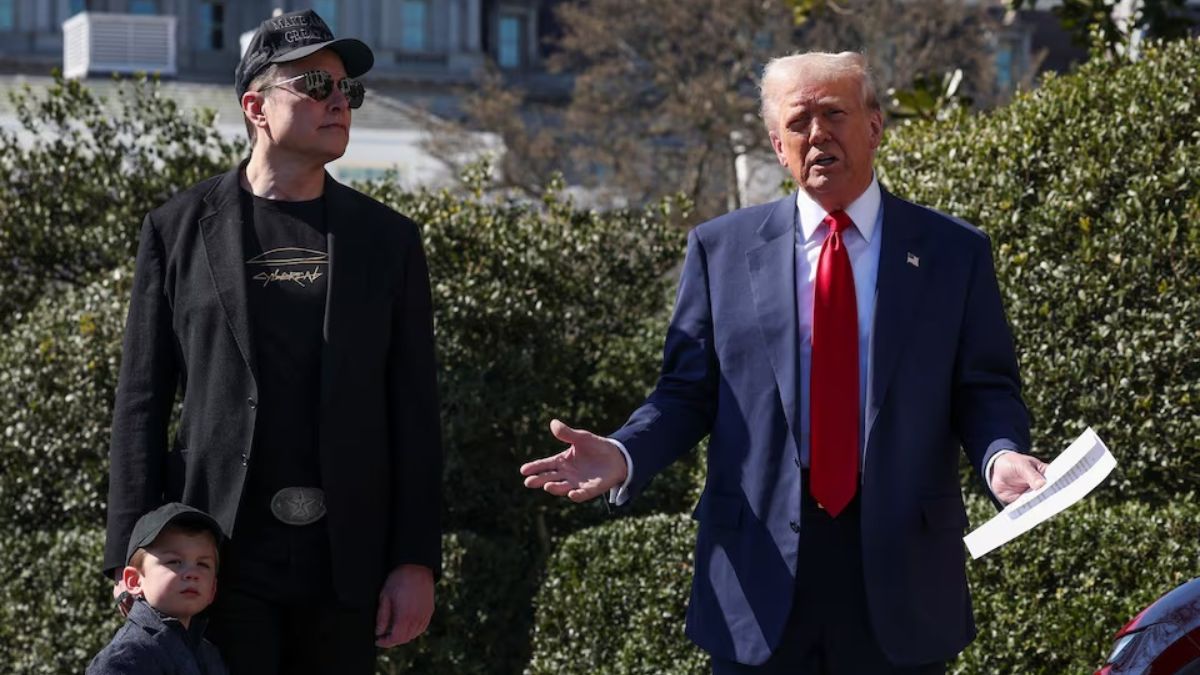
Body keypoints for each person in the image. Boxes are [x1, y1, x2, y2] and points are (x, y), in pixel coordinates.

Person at [520, 51, 1048, 674]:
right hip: (757, 577)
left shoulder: (952, 251)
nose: (818, 133)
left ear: (875, 125)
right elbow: (685, 393)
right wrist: (626, 452)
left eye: (835, 113)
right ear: (777, 144)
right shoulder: (720, 250)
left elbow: (982, 386)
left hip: (902, 575)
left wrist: (1000, 455)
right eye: (799, 122)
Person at [100, 9, 442, 673]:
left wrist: (415, 559)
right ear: (256, 105)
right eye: (317, 84)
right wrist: (129, 554)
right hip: (217, 555)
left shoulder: (388, 241)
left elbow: (416, 412)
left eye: (348, 90)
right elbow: (140, 402)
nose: (339, 100)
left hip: (348, 559)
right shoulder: (177, 228)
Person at [88, 503, 228, 675]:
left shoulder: (209, 654)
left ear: (213, 588)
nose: (192, 573)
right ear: (134, 581)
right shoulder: (124, 658)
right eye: (174, 562)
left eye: (203, 564)